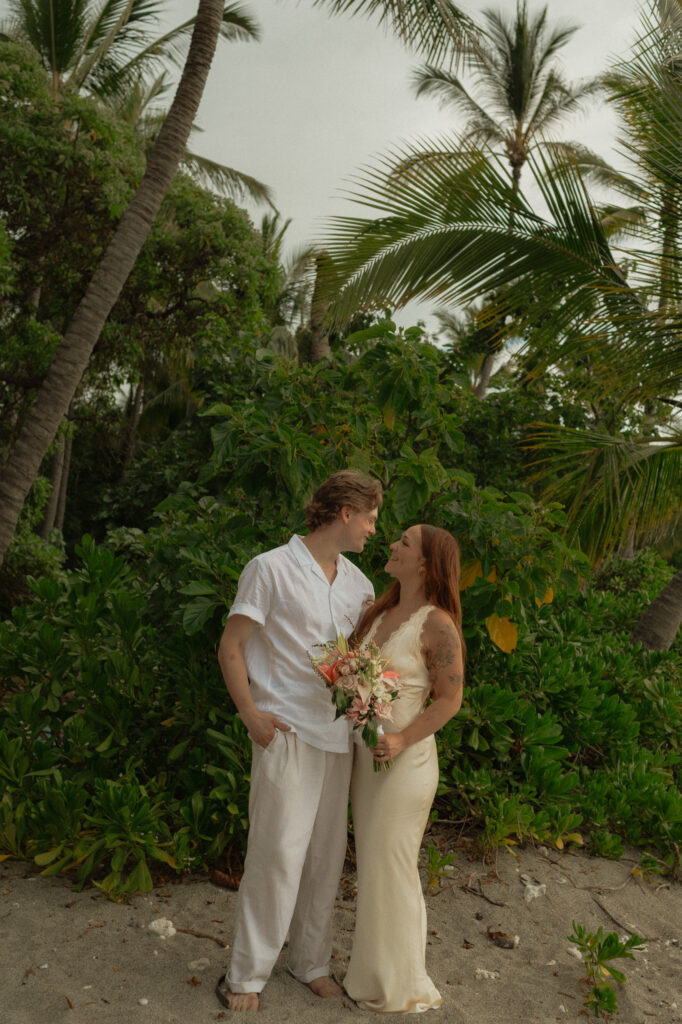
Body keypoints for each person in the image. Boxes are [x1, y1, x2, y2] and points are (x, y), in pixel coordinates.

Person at [215, 469, 382, 1013]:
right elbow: (231, 647)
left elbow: (360, 663)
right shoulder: (269, 568)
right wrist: (251, 715)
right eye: (370, 518)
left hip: (339, 738)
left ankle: (309, 962)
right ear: (345, 512)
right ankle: (246, 975)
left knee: (325, 860)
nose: (373, 529)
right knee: (276, 856)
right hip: (285, 732)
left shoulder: (360, 585)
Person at [344, 524, 465, 1014]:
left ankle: (402, 987)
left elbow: (450, 699)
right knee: (373, 865)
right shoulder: (379, 611)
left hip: (406, 764)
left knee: (393, 865)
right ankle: (371, 974)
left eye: (405, 542)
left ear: (426, 563)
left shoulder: (437, 624)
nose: (393, 545)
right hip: (367, 761)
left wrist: (399, 739)